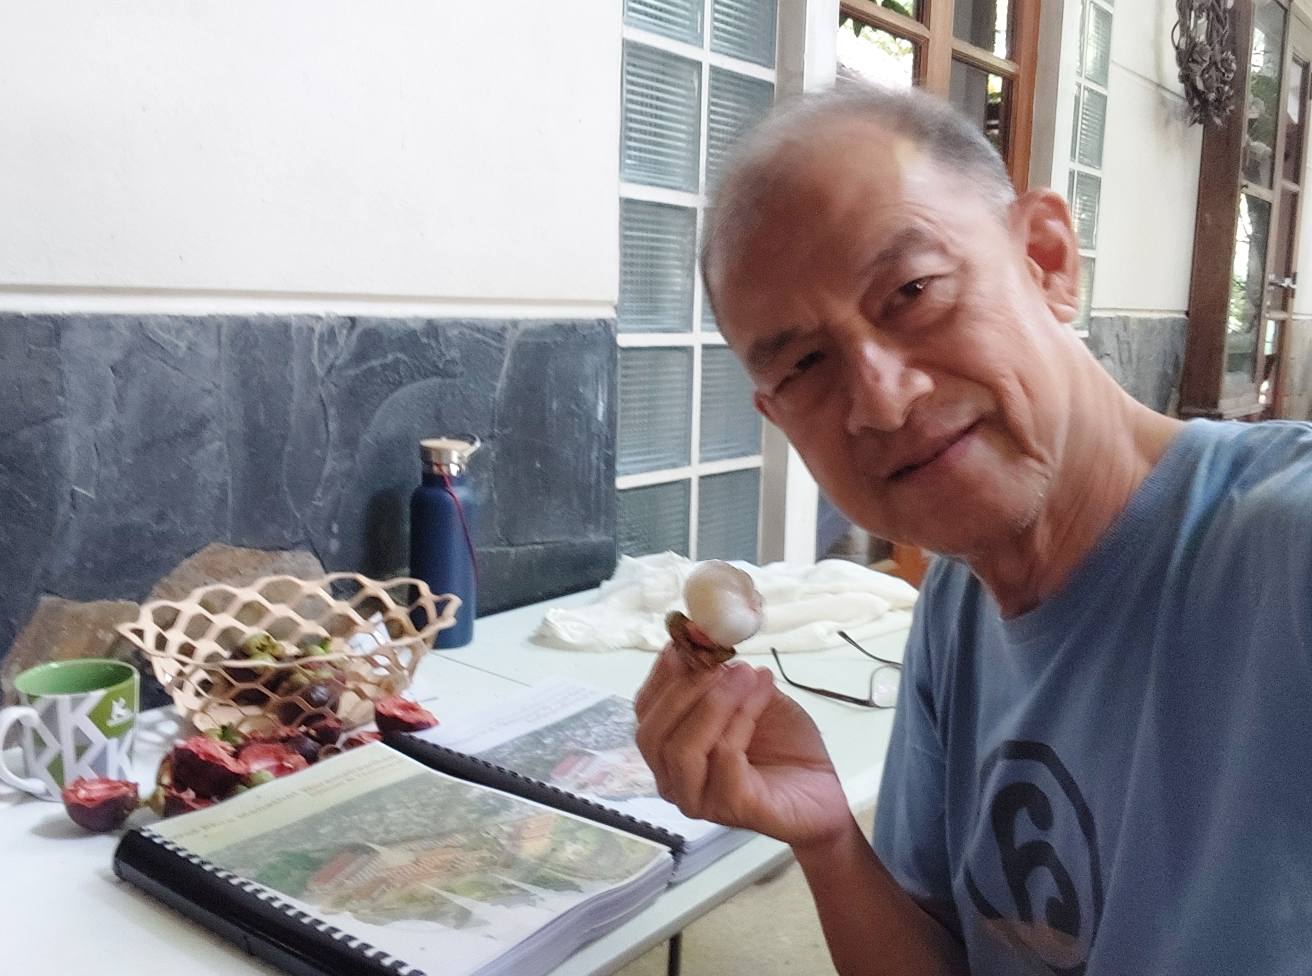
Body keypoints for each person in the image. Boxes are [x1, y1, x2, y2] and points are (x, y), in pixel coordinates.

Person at [633, 84, 1312, 976]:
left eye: (913, 291)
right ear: (775, 413)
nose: (882, 400)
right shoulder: (959, 599)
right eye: (805, 365)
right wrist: (828, 840)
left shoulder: (1285, 548)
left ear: (1046, 259)